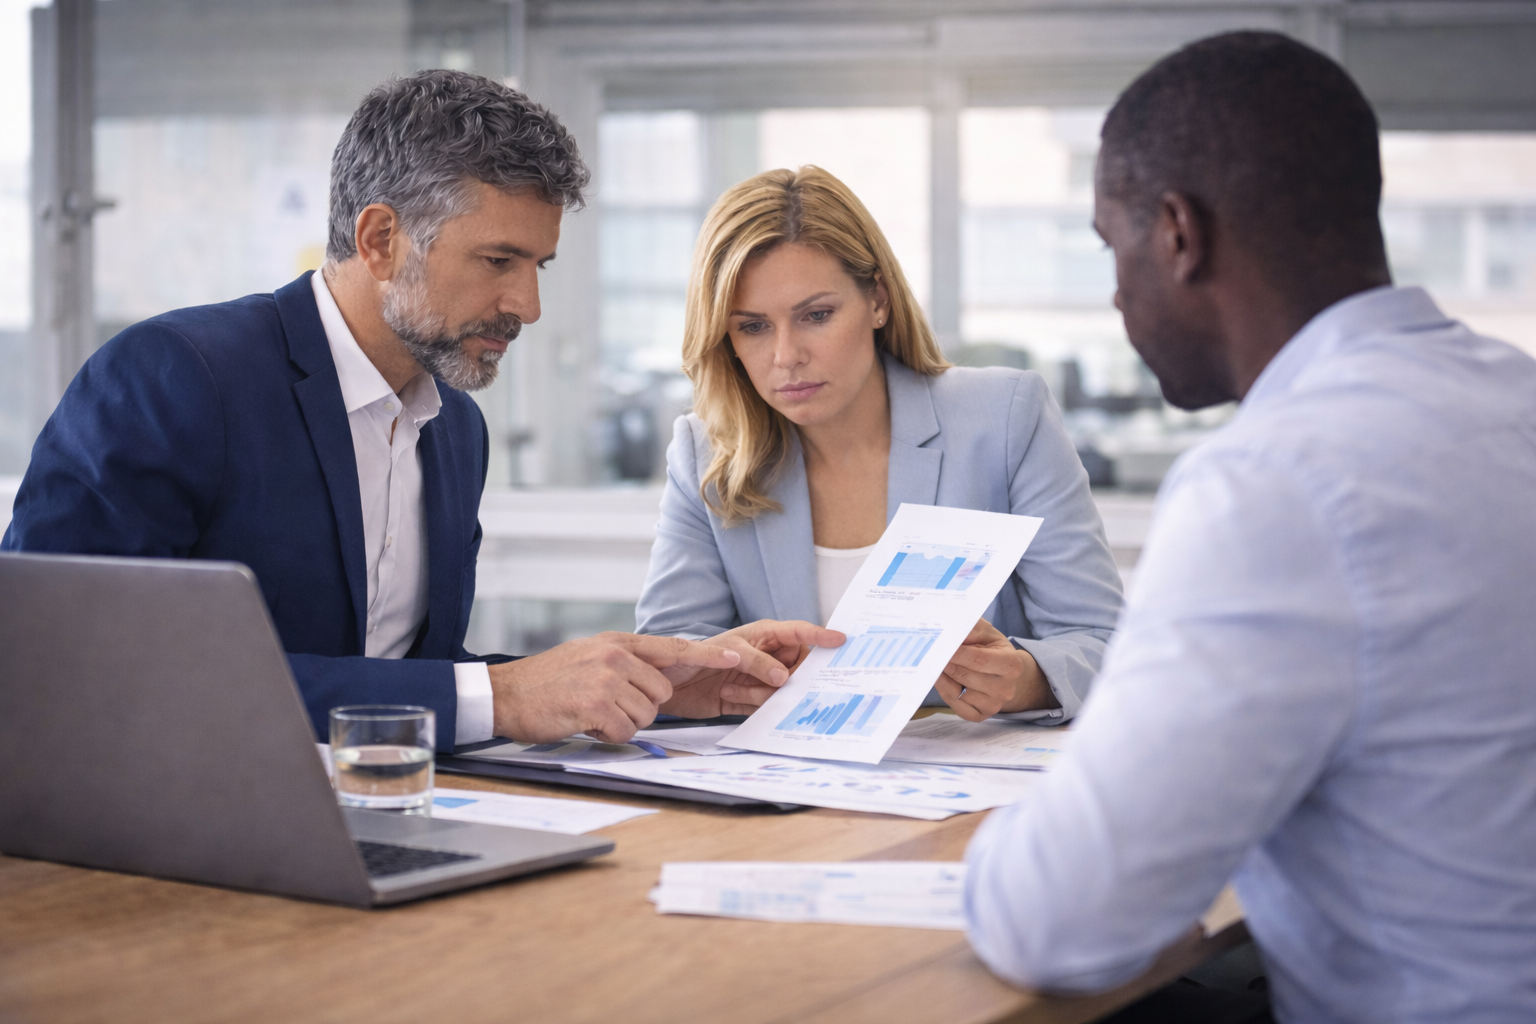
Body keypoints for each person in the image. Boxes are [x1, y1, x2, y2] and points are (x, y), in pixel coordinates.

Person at [2, 70, 837, 751]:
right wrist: (499, 695)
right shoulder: (175, 377)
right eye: (498, 260)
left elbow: (412, 676)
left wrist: (649, 687)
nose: (528, 304)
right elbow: (72, 669)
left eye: (539, 263)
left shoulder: (454, 430)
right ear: (379, 240)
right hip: (169, 858)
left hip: (384, 827)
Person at [964, 30, 1536, 1024]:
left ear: (1180, 234)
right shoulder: (1511, 399)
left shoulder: (1277, 482)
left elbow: (1054, 921)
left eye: (1114, 245)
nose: (1115, 294)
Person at [636, 166, 1123, 722]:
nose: (786, 355)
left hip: (974, 782)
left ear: (878, 301)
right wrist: (720, 675)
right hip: (793, 784)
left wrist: (1025, 680)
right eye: (752, 327)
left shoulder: (1003, 419)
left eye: (816, 315)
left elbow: (1105, 645)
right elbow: (668, 660)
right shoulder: (705, 453)